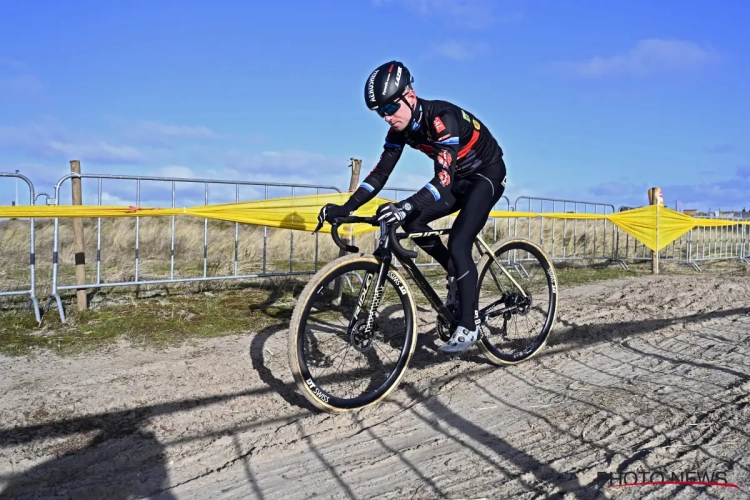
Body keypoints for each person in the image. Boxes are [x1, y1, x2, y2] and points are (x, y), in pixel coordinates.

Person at [318, 60, 507, 354]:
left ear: (410, 94)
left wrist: (405, 204)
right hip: (458, 179)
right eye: (380, 112)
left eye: (390, 108)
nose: (386, 117)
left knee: (459, 242)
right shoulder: (400, 131)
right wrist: (346, 207)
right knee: (413, 223)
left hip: (486, 174)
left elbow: (442, 179)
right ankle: (455, 275)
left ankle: (469, 325)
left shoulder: (441, 118)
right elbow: (380, 174)